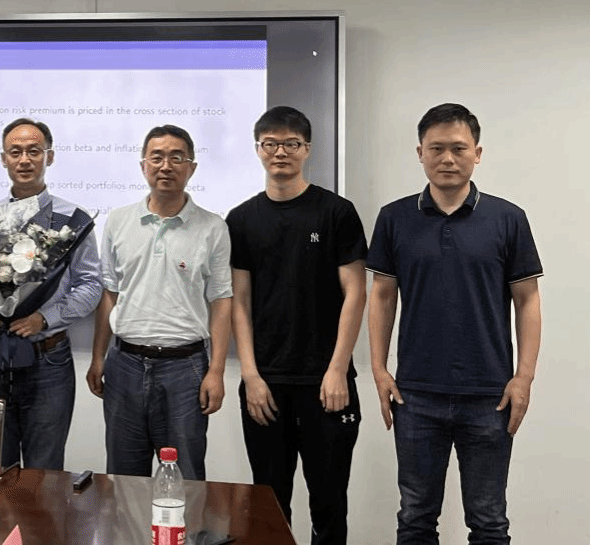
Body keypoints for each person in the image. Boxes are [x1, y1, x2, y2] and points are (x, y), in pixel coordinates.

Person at [367, 103, 543, 545]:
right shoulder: (394, 218)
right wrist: (379, 369)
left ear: (477, 154)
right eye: (436, 148)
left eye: (459, 148)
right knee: (415, 518)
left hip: (490, 395)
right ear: (420, 153)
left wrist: (523, 377)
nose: (447, 158)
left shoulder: (508, 218)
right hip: (415, 393)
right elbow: (382, 296)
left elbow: (527, 300)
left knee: (488, 522)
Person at [227, 106, 367, 545]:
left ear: (307, 149)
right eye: (270, 143)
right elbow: (239, 302)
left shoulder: (336, 212)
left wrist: (337, 368)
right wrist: (250, 375)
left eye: (291, 143)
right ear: (258, 149)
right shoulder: (241, 219)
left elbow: (356, 293)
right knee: (270, 503)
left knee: (329, 502)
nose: (280, 152)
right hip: (266, 384)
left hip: (327, 383)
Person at [86, 124, 232, 480]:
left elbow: (221, 300)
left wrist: (216, 371)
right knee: (123, 479)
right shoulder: (119, 220)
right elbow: (109, 293)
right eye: (157, 157)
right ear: (143, 166)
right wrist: (97, 357)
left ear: (191, 167)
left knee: (186, 479)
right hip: (125, 365)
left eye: (176, 158)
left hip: (185, 369)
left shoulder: (213, 227)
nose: (166, 166)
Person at [0, 118, 102, 470]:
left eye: (34, 151)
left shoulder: (73, 219)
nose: (24, 159)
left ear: (49, 157)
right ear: (3, 159)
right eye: (15, 152)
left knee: (45, 469)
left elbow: (91, 284)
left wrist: (45, 318)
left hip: (48, 359)